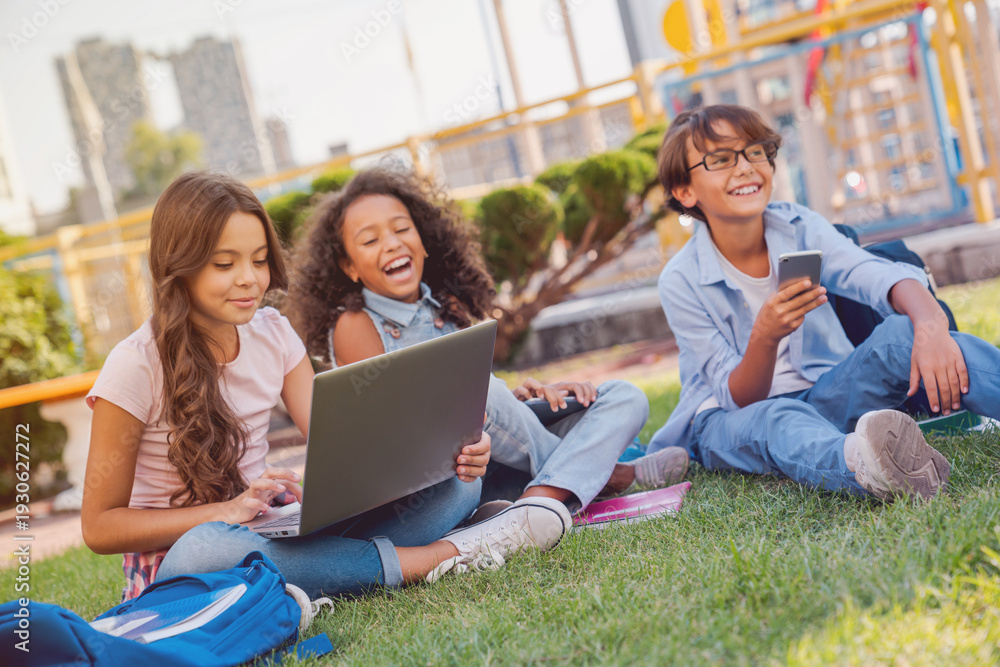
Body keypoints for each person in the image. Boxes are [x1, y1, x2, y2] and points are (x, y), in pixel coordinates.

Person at [80, 171, 572, 603]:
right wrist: (226, 511)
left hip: (270, 529)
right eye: (224, 265)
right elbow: (99, 527)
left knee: (454, 488)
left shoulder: (271, 332)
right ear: (178, 268)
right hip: (189, 563)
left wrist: (452, 452)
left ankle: (389, 549)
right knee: (210, 546)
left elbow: (345, 447)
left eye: (258, 260)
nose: (249, 280)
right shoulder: (135, 365)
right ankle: (445, 554)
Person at [285, 168, 688, 520]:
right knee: (484, 394)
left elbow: (492, 410)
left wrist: (522, 396)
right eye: (370, 240)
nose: (391, 243)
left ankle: (545, 493)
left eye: (401, 228)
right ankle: (610, 476)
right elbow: (397, 427)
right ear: (349, 266)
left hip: (499, 452)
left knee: (623, 397)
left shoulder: (449, 306)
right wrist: (492, 398)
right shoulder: (355, 324)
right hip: (452, 476)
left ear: (424, 240)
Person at [646, 104, 1000, 501]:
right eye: (721, 159)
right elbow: (739, 397)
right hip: (733, 421)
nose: (745, 167)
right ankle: (867, 465)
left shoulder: (798, 226)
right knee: (778, 417)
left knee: (904, 332)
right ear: (684, 191)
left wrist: (932, 326)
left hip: (825, 394)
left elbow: (875, 274)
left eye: (755, 151)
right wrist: (765, 336)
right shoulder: (680, 280)